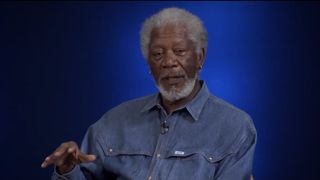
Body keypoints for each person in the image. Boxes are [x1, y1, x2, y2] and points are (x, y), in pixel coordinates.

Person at [41, 7, 257, 180]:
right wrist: (67, 171)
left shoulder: (235, 127)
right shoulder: (114, 121)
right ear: (148, 64)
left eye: (180, 52)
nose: (169, 62)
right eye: (158, 54)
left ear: (200, 58)